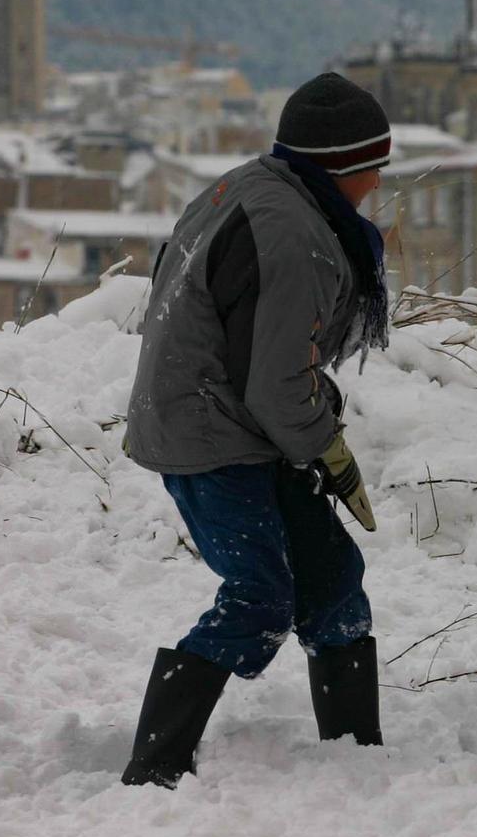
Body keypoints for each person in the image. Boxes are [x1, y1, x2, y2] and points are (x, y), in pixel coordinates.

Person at [119, 72, 394, 788]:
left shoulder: (260, 187)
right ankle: (154, 765)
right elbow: (274, 384)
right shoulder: (295, 236)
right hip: (209, 433)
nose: (378, 182)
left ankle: (354, 753)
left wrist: (310, 425)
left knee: (333, 581)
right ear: (345, 167)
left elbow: (263, 353)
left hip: (234, 418)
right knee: (261, 595)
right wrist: (327, 449)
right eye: (375, 166)